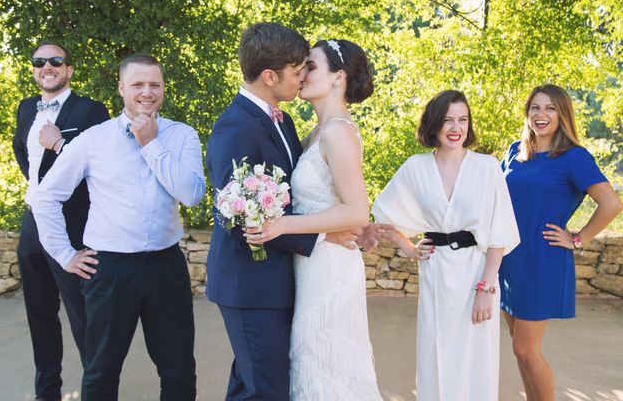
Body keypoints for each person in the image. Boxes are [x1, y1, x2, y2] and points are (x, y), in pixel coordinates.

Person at [33, 53, 206, 401]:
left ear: (163, 89)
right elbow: (45, 196)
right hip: (109, 269)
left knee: (179, 370)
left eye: (154, 84)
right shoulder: (93, 139)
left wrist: (151, 144)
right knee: (101, 372)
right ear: (121, 88)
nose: (147, 92)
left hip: (165, 267)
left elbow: (191, 195)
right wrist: (65, 254)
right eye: (138, 84)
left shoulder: (182, 135)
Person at [206, 23, 365, 400]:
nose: (302, 78)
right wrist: (323, 232)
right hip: (251, 285)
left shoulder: (285, 120)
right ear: (269, 76)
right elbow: (237, 216)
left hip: (283, 280)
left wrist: (342, 225)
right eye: (297, 71)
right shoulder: (235, 127)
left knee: (253, 385)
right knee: (267, 391)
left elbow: (300, 197)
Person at [246, 39, 383, 399]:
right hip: (311, 262)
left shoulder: (338, 131)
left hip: (331, 270)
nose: (302, 73)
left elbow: (356, 210)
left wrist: (281, 225)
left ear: (338, 78)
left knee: (328, 366)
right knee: (311, 366)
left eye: (312, 66)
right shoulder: (315, 133)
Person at [371, 90, 520, 401]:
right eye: (448, 120)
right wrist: (409, 248)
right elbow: (383, 212)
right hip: (436, 272)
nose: (456, 128)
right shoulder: (415, 167)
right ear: (434, 125)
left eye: (463, 120)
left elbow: (499, 232)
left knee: (477, 360)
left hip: (477, 272)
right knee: (435, 357)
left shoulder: (487, 167)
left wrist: (486, 288)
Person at [498, 84, 623, 401]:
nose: (541, 115)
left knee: (527, 349)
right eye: (535, 108)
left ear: (562, 114)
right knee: (518, 347)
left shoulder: (573, 157)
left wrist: (578, 238)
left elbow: (611, 204)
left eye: (550, 108)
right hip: (508, 259)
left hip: (542, 260)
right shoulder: (515, 151)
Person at [12, 41, 110, 401]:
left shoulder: (90, 111)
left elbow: (102, 167)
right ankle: (47, 393)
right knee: (40, 315)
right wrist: (40, 191)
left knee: (84, 317)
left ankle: (97, 392)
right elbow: (22, 152)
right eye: (39, 61)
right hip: (33, 224)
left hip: (73, 227)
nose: (47, 66)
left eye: (55, 61)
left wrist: (58, 146)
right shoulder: (26, 109)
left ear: (69, 69)